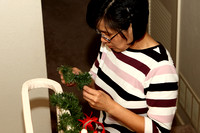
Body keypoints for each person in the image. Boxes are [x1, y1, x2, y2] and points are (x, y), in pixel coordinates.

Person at [60, 0, 178, 132]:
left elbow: (159, 130)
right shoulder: (110, 45)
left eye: (108, 34)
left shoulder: (161, 69)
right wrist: (82, 79)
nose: (103, 40)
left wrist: (111, 107)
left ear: (132, 27)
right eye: (101, 33)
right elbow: (98, 80)